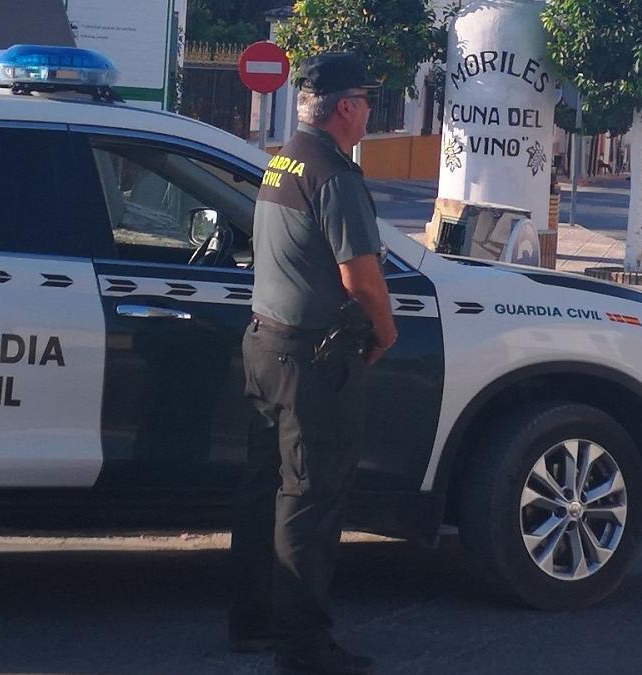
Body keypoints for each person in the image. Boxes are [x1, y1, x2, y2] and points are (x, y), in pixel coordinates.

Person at [229, 52, 397, 675]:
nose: (370, 113)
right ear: (346, 107)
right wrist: (384, 331)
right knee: (309, 498)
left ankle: (252, 622)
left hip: (265, 344)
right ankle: (302, 648)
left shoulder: (284, 158)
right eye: (367, 102)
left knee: (264, 491)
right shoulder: (334, 174)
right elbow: (363, 280)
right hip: (310, 359)